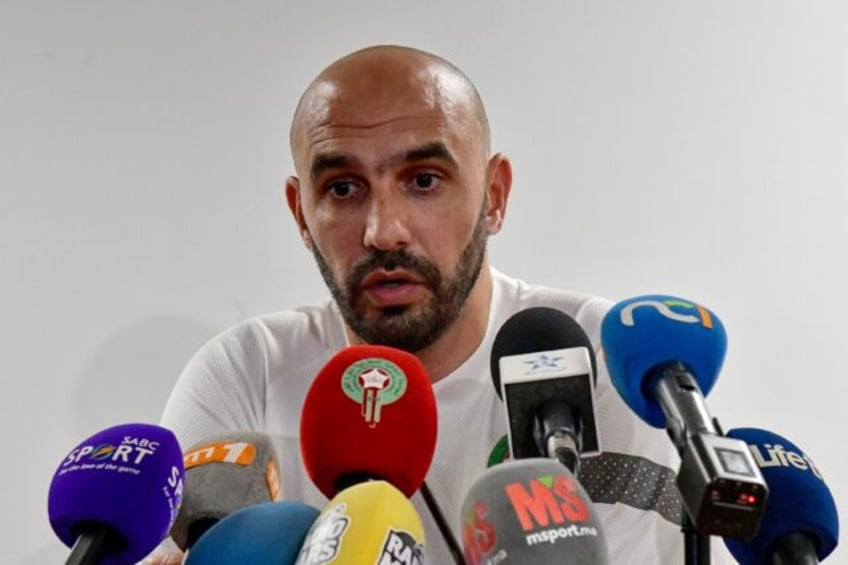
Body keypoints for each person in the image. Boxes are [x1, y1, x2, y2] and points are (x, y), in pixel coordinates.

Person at [159, 45, 732, 563]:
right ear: (300, 214)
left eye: (424, 180)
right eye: (342, 188)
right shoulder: (245, 373)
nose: (384, 232)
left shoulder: (608, 362)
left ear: (494, 198)